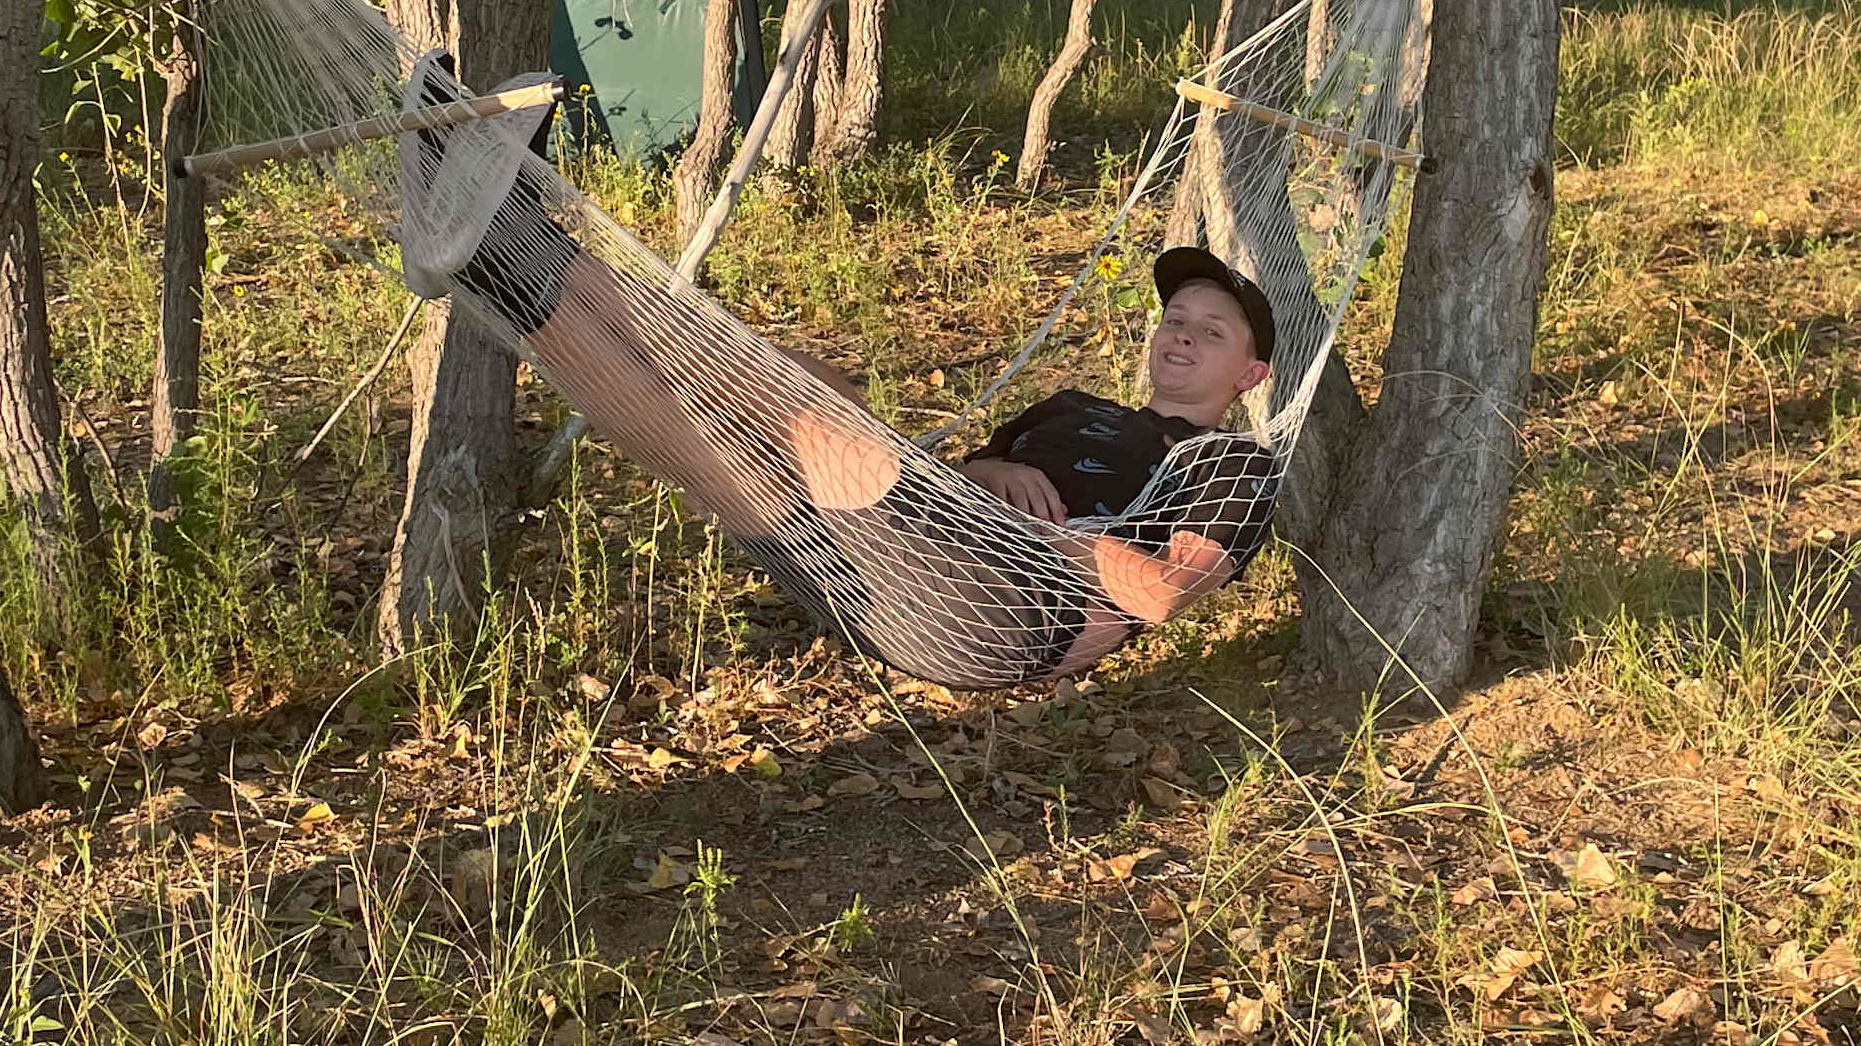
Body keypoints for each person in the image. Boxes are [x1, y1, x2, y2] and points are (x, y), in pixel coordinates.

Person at [395, 74, 1280, 686]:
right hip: (919, 558)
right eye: (1174, 320)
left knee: (825, 421)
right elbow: (960, 490)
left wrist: (1051, 540)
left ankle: (517, 230)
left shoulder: (1232, 464)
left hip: (1012, 612)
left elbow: (1162, 594)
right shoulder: (1072, 407)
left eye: (1211, 332)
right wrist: (986, 475)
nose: (1181, 339)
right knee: (724, 442)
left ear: (1251, 374)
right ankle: (494, 259)